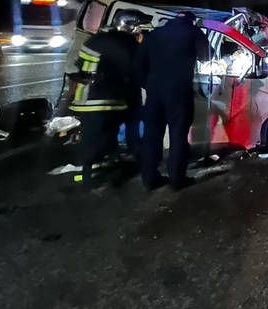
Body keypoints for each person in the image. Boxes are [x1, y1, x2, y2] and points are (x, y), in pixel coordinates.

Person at [69, 11, 144, 186]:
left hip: (86, 99)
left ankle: (87, 175)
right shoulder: (128, 43)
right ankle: (112, 168)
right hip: (111, 100)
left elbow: (79, 67)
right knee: (110, 134)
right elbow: (135, 72)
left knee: (89, 137)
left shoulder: (95, 39)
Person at [137, 11, 209, 190]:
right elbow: (207, 56)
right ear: (192, 21)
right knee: (178, 135)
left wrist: (149, 85)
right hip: (179, 92)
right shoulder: (194, 32)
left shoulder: (154, 35)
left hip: (154, 93)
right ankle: (176, 179)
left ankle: (149, 179)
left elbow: (138, 64)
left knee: (151, 136)